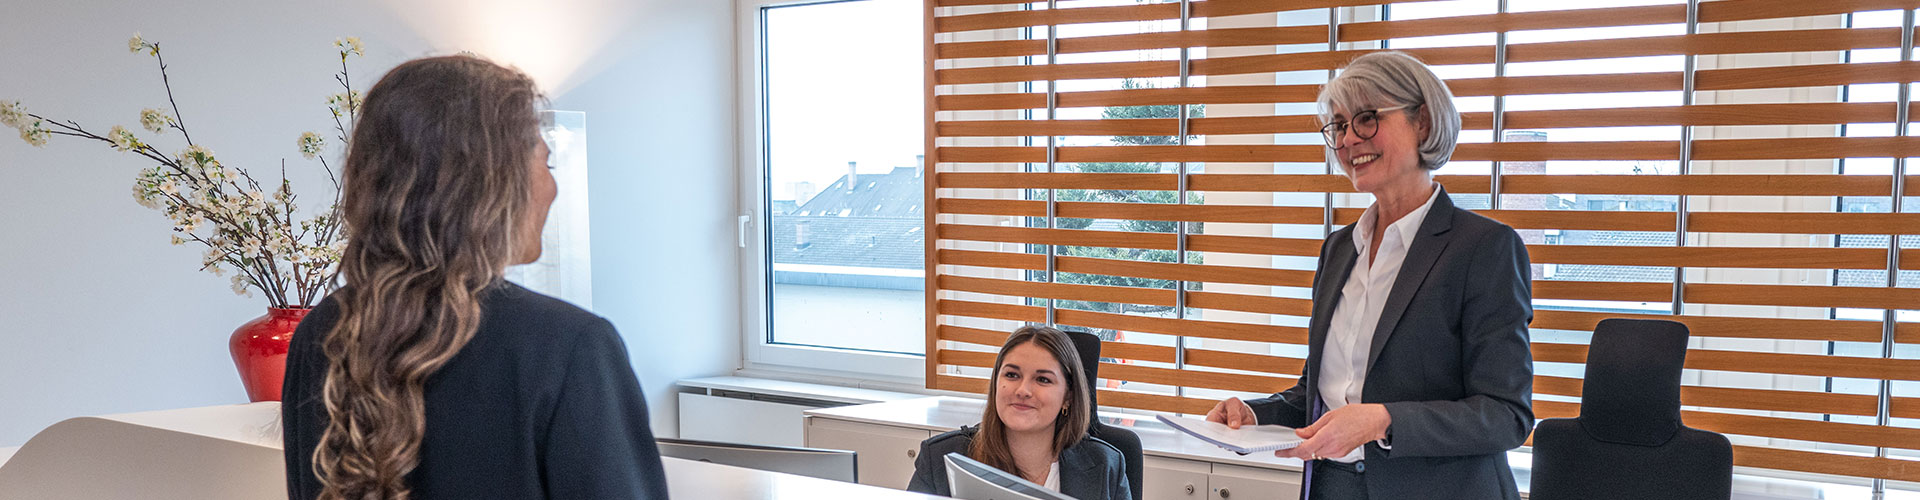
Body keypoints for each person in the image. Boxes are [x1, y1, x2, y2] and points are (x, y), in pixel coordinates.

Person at [280, 55, 669, 500]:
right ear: (496, 183)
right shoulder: (569, 348)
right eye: (546, 163)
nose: (553, 187)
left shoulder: (324, 331)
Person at [1203, 51, 1535, 500]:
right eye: (1338, 126)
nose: (1348, 140)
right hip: (1331, 487)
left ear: (1423, 122)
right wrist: (1253, 413)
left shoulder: (1484, 248)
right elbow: (1320, 396)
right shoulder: (1339, 249)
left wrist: (1383, 420)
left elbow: (1505, 414)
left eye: (1366, 118)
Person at [907, 325, 1130, 500]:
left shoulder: (1106, 465)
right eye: (1012, 375)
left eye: (1043, 379)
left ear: (1068, 397)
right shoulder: (940, 458)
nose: (1023, 390)